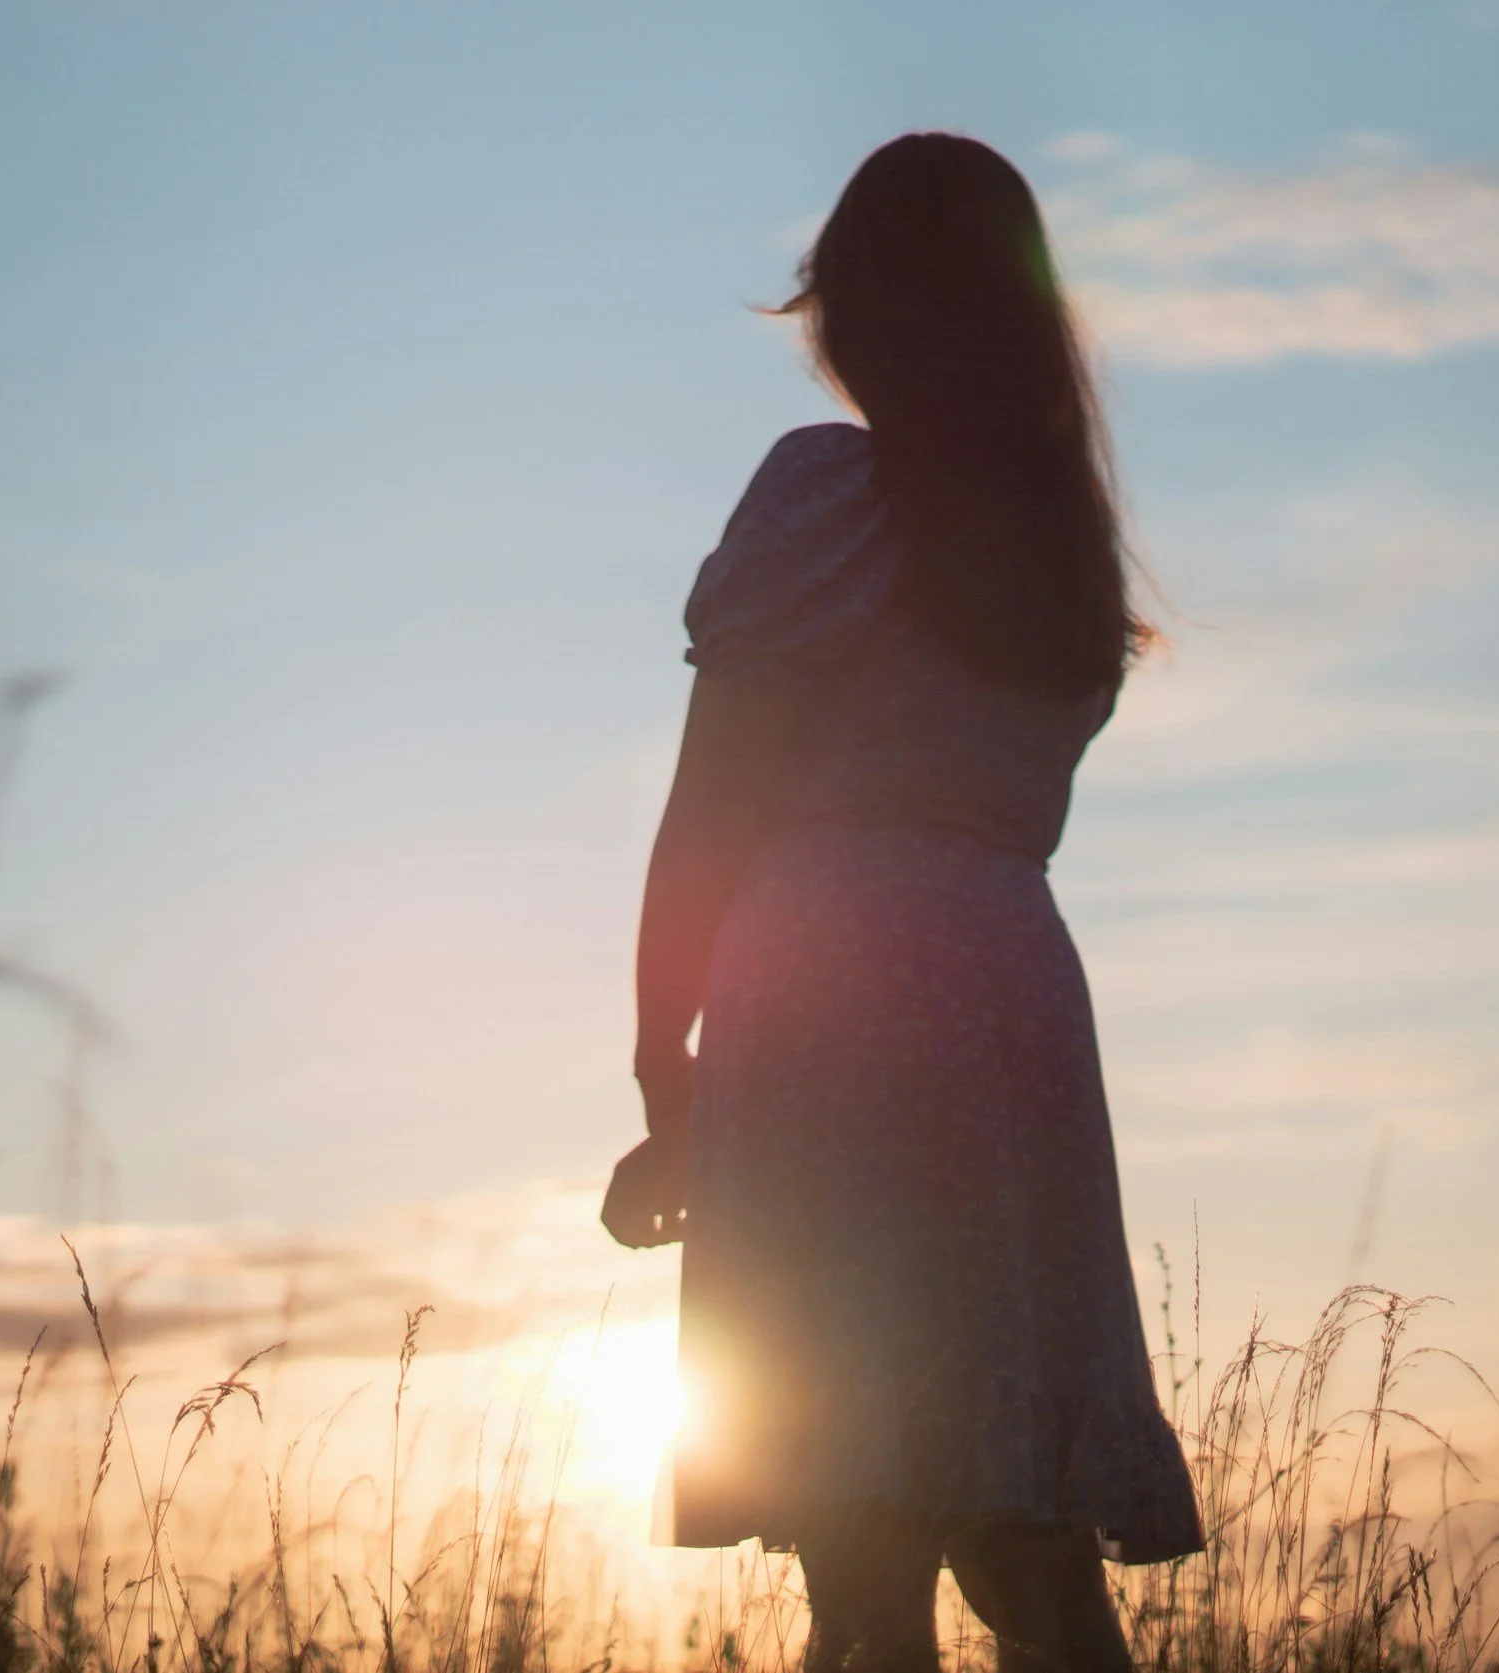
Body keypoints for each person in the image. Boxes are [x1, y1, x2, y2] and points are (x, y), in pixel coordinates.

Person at [603, 131, 1203, 1673]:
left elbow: (711, 807)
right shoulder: (1059, 550)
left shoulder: (822, 498)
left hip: (828, 996)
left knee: (860, 1541)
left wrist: (663, 1057)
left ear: (858, 312)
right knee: (1034, 1543)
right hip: (1012, 991)